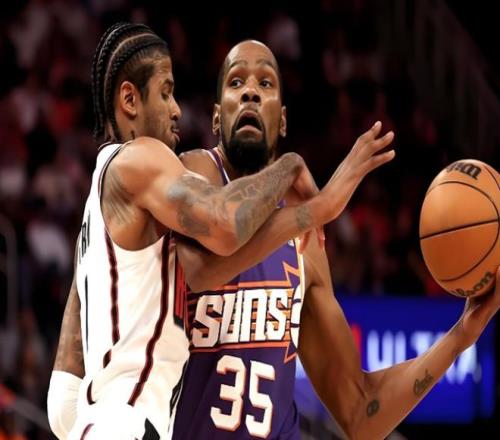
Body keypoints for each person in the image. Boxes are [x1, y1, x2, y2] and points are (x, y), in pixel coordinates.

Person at [47, 24, 392, 440]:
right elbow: (225, 227)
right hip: (126, 426)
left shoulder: (96, 213)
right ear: (129, 100)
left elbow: (61, 404)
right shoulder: (142, 158)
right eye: (166, 93)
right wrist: (299, 180)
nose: (176, 109)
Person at [168, 40, 500, 439]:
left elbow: (360, 412)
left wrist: (462, 334)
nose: (250, 91)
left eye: (266, 83)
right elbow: (207, 258)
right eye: (236, 82)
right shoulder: (194, 173)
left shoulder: (303, 244)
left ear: (283, 120)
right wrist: (295, 173)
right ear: (216, 117)